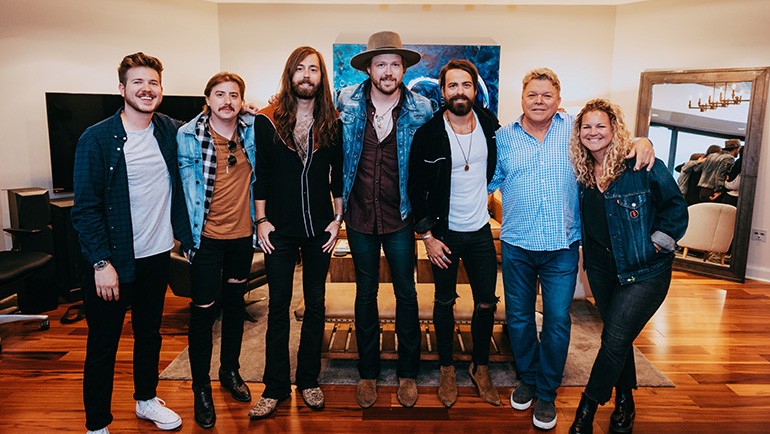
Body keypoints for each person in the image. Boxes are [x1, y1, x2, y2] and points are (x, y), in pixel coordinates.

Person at [489, 68, 654, 430]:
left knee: (558, 320)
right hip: (516, 242)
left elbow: (614, 141)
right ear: (522, 98)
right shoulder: (502, 137)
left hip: (562, 246)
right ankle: (528, 379)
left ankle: (546, 391)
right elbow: (487, 180)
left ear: (558, 99)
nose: (539, 101)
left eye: (547, 95)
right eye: (532, 94)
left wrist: (643, 140)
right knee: (517, 319)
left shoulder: (574, 131)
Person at [71, 52, 194, 434]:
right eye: (137, 82)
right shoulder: (96, 139)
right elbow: (85, 209)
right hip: (111, 261)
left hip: (156, 256)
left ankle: (145, 400)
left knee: (149, 335)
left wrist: (246, 111)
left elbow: (211, 128)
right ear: (122, 89)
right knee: (104, 344)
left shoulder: (170, 131)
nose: (146, 89)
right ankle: (97, 424)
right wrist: (100, 263)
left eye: (153, 82)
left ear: (161, 89)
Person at [567, 99, 688, 434]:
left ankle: (585, 410)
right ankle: (625, 402)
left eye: (600, 125)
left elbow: (676, 208)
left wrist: (658, 241)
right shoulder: (582, 174)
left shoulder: (640, 163)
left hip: (644, 271)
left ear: (614, 128)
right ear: (579, 134)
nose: (593, 132)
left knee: (614, 338)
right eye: (586, 127)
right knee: (618, 340)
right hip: (602, 271)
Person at [336, 30, 433, 409]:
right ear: (370, 69)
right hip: (359, 215)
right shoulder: (346, 101)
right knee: (365, 294)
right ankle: (368, 373)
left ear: (404, 68)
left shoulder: (422, 108)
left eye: (395, 64)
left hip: (401, 217)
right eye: (381, 64)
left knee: (406, 294)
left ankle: (407, 373)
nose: (388, 70)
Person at [248, 46, 343, 419]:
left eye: (314, 70)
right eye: (300, 69)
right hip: (279, 231)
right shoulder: (267, 120)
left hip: (320, 228)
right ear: (290, 75)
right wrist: (262, 221)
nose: (307, 75)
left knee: (315, 305)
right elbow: (262, 177)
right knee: (278, 307)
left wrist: (338, 219)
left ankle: (308, 380)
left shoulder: (332, 121)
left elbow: (337, 176)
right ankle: (274, 387)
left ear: (321, 78)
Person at [408, 59, 501, 407]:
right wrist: (428, 237)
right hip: (443, 234)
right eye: (452, 86)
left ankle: (480, 367)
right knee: (444, 302)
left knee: (485, 303)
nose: (459, 92)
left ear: (474, 91)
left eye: (466, 85)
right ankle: (447, 368)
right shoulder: (428, 135)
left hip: (479, 232)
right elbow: (414, 190)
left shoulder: (491, 126)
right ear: (442, 90)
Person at [176, 71, 256, 428]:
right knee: (203, 314)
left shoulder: (253, 131)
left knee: (236, 306)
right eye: (220, 94)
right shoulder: (186, 136)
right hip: (205, 239)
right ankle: (200, 389)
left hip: (242, 238)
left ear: (242, 100)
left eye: (234, 95)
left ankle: (230, 371)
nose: (227, 101)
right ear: (207, 99)